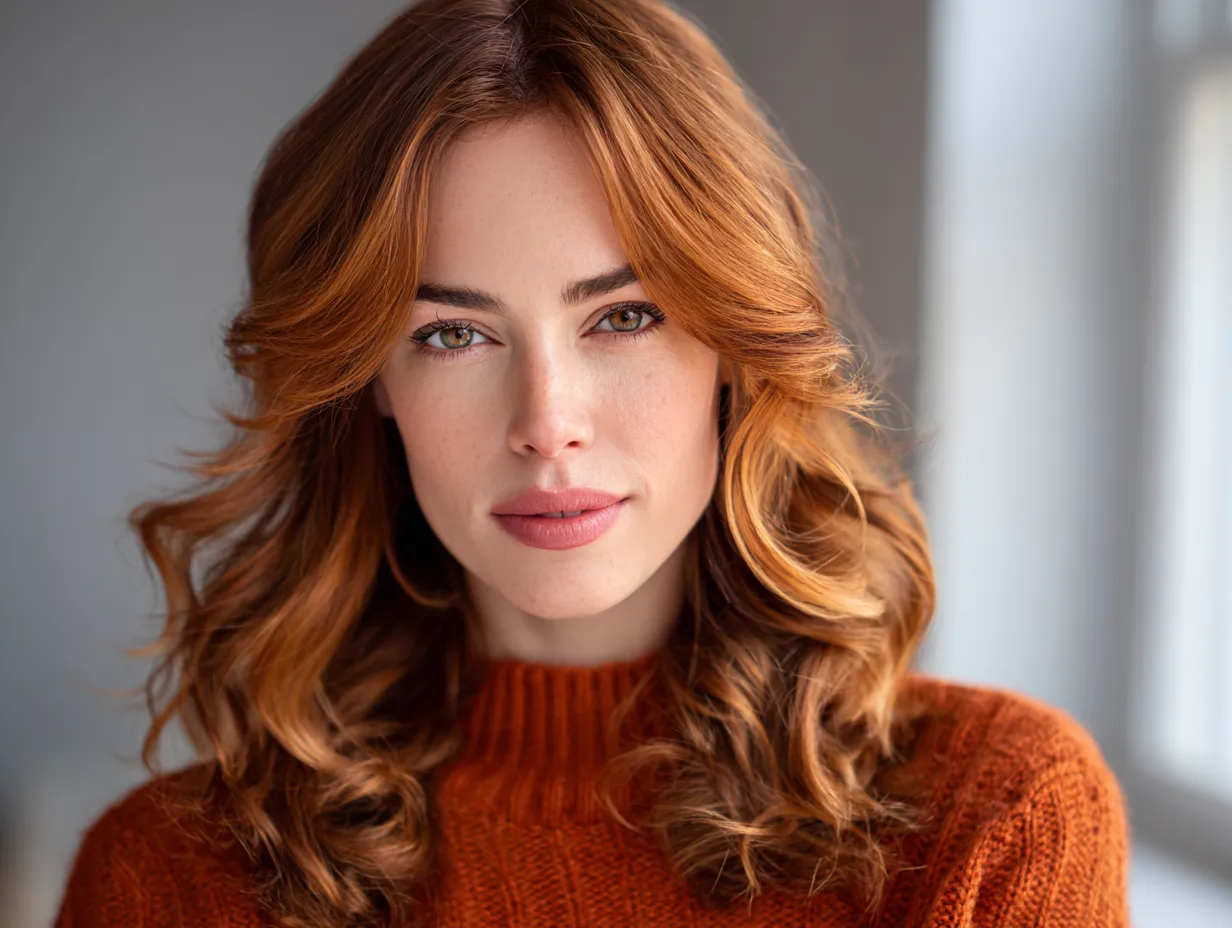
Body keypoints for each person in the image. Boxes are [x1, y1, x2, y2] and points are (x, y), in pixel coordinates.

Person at [53, 0, 1131, 925]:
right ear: (369, 377)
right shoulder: (169, 877)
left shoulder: (994, 816)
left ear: (732, 342)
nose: (547, 422)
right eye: (452, 334)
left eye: (623, 315)